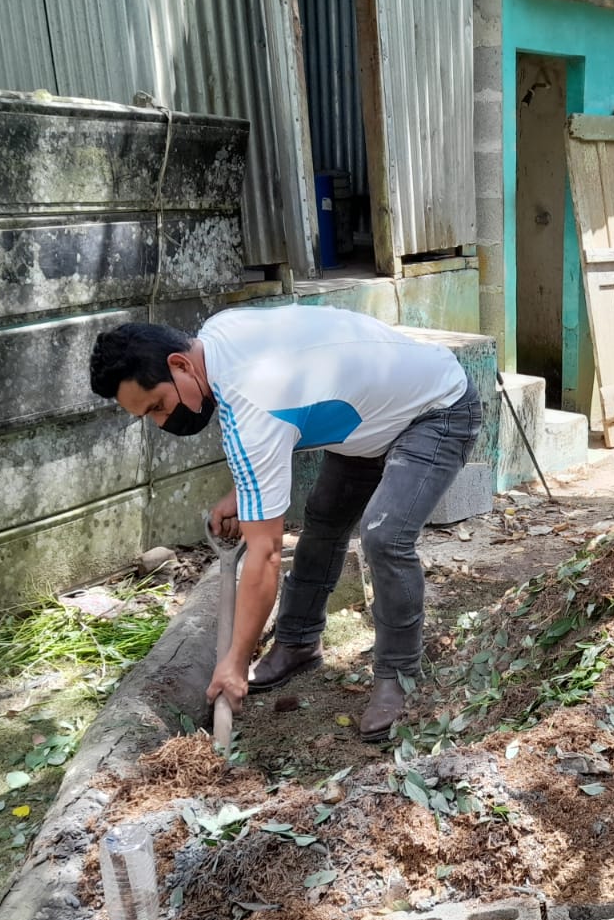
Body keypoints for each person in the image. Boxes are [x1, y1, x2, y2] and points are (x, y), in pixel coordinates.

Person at [89, 305, 482, 740]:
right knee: (323, 518)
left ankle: (398, 675)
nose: (163, 422)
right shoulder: (217, 334)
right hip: (370, 421)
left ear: (180, 365)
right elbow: (285, 410)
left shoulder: (251, 404)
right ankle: (297, 642)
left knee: (384, 536)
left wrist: (235, 664)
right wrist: (247, 492)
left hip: (436, 408)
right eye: (149, 417)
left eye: (158, 406)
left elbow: (266, 553)